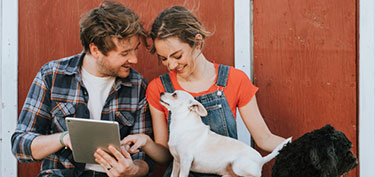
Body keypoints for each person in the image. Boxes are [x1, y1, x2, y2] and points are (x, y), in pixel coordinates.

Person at [120, 5, 286, 177]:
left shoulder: (234, 79)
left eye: (177, 56)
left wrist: (305, 147)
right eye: (163, 58)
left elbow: (264, 139)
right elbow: (166, 156)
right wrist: (146, 141)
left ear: (197, 42)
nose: (171, 65)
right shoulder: (159, 89)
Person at [11, 1, 152, 177]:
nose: (134, 60)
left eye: (135, 50)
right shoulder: (52, 75)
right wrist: (63, 138)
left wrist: (132, 170)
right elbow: (20, 146)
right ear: (95, 50)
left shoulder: (137, 85)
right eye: (124, 53)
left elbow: (144, 161)